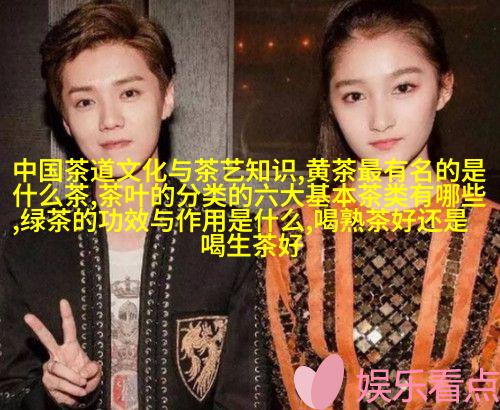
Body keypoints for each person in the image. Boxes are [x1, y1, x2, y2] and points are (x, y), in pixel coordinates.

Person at [0, 2, 264, 409]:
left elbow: (248, 397)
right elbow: (10, 392)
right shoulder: (29, 244)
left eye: (129, 93)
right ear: (65, 120)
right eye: (85, 102)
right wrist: (51, 394)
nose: (110, 119)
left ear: (166, 98)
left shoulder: (234, 237)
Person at [257, 0, 499, 409]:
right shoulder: (288, 235)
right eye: (354, 95)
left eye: (403, 88)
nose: (380, 119)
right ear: (331, 104)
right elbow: (290, 387)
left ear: (444, 88)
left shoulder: (491, 234)